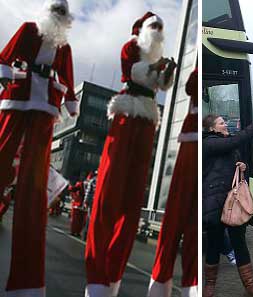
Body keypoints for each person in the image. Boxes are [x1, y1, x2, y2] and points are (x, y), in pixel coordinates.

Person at [84, 12, 176, 297]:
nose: (159, 32)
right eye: (155, 27)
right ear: (143, 30)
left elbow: (163, 84)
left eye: (161, 28)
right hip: (128, 112)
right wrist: (156, 67)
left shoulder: (156, 55)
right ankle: (98, 279)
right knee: (111, 189)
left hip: (148, 119)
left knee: (133, 197)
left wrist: (167, 70)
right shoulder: (131, 46)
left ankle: (112, 279)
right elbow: (134, 71)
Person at [0, 0, 78, 295]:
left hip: (45, 104)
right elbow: (5, 57)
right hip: (18, 97)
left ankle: (26, 283)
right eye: (55, 10)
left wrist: (71, 100)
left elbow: (68, 79)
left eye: (62, 12)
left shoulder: (64, 46)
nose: (58, 16)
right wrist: (5, 76)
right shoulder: (28, 30)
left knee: (34, 186)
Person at [202, 113, 253, 297]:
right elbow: (234, 142)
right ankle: (209, 286)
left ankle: (250, 287)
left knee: (240, 244)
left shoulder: (226, 143)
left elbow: (233, 155)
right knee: (213, 245)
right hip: (215, 203)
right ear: (212, 128)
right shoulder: (208, 143)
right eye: (221, 123)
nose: (225, 124)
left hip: (234, 203)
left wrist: (242, 166)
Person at [148, 68, 198, 296]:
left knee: (180, 215)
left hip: (191, 138)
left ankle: (167, 284)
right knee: (181, 215)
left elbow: (189, 86)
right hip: (191, 139)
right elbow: (190, 86)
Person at [82, 171, 97, 241]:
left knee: (90, 219)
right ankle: (87, 236)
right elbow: (88, 192)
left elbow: (88, 192)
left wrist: (86, 201)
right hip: (94, 202)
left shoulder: (93, 180)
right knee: (91, 219)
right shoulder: (94, 180)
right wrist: (86, 201)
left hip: (92, 202)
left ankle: (86, 236)